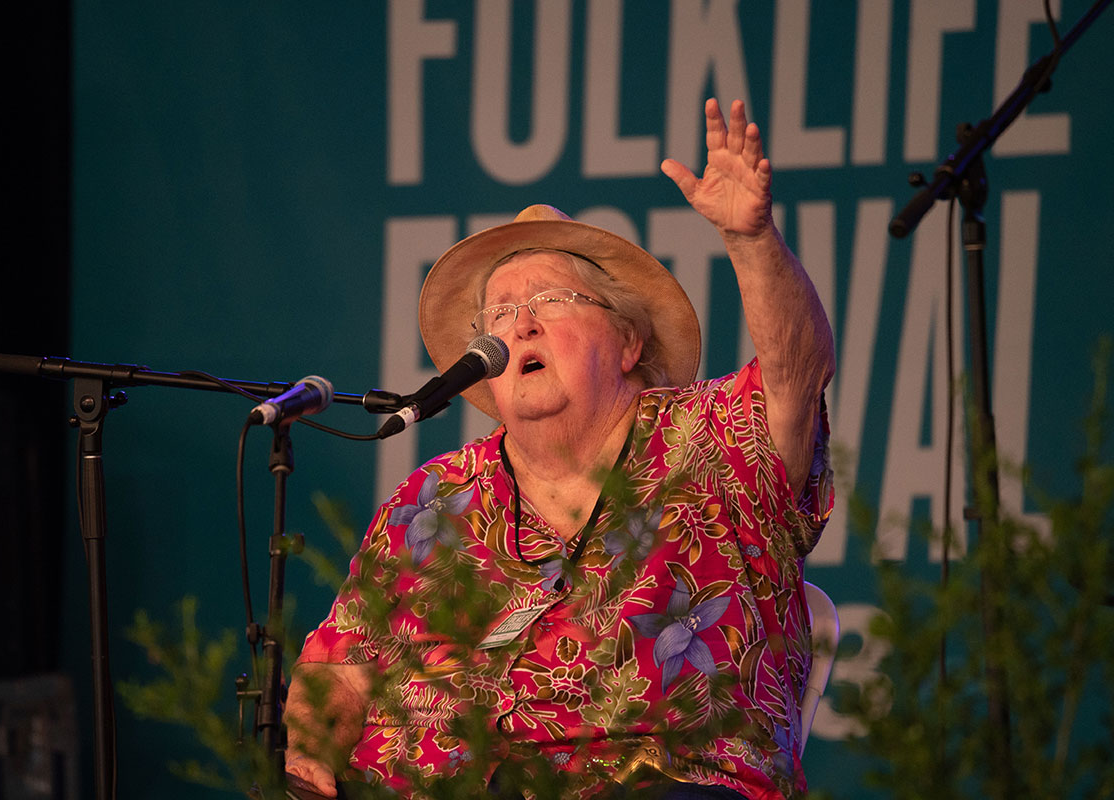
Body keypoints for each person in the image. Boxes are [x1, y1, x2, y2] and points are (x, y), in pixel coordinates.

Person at [283, 98, 835, 800]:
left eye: (552, 298)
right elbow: (344, 663)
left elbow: (798, 373)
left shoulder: (712, 438)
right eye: (501, 315)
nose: (522, 326)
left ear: (629, 342)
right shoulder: (432, 498)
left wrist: (753, 241)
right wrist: (309, 763)